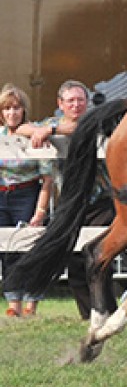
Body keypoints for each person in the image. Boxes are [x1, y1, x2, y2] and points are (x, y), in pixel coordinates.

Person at [17, 80, 114, 320]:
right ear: (60, 104)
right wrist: (38, 130)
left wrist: (49, 131)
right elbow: (20, 129)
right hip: (69, 205)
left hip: (100, 201)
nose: (76, 105)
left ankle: (107, 312)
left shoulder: (96, 120)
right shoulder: (53, 123)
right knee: (74, 261)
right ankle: (87, 314)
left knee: (100, 258)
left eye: (80, 100)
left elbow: (78, 129)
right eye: (70, 100)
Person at [0, 84, 54, 317]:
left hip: (29, 192)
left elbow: (48, 179)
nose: (12, 113)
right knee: (8, 248)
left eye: (16, 108)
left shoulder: (34, 134)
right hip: (2, 194)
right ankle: (14, 304)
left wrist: (40, 210)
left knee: (30, 248)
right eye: (7, 108)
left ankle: (31, 303)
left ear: (24, 110)